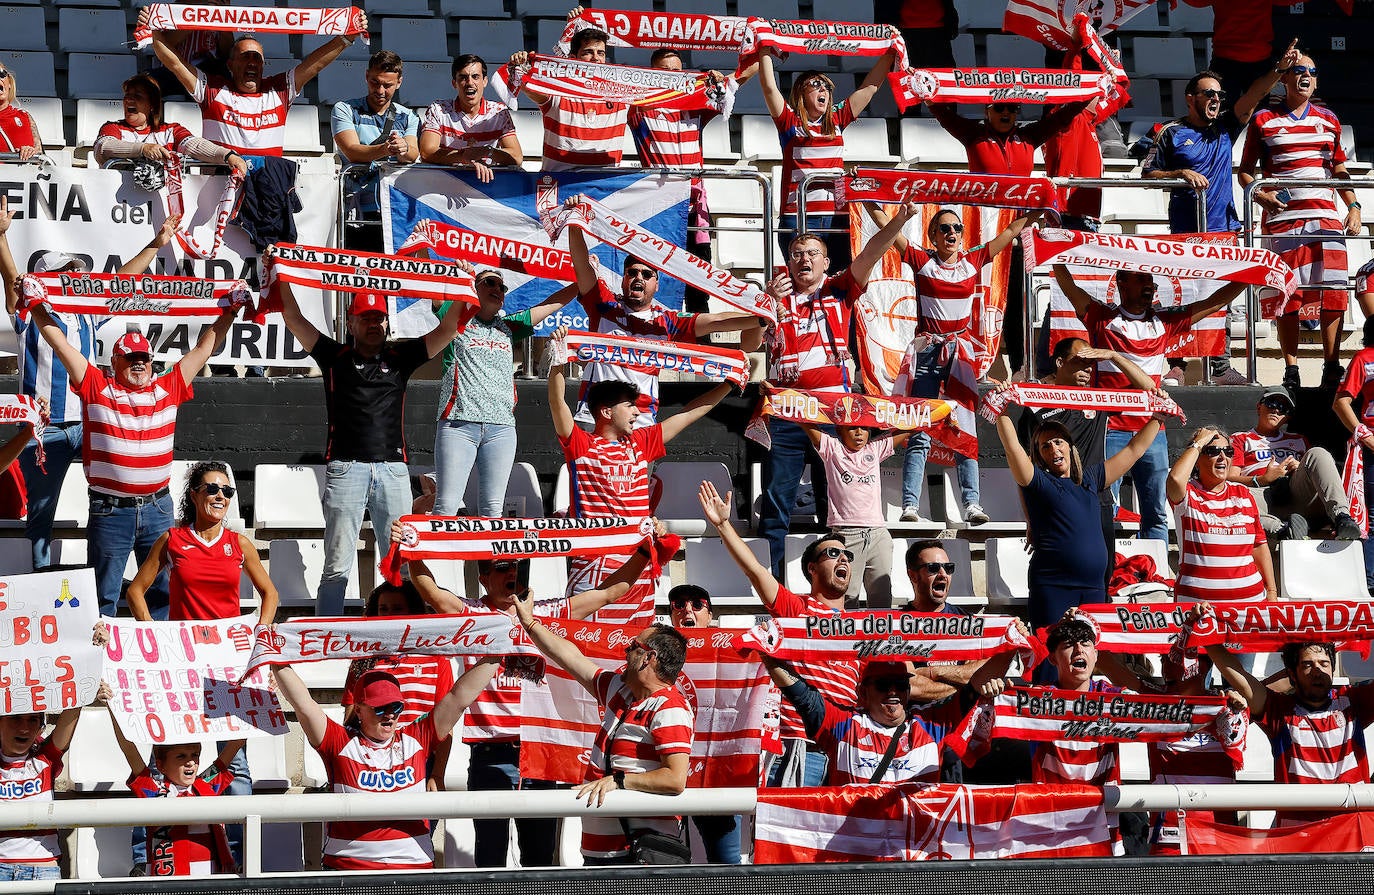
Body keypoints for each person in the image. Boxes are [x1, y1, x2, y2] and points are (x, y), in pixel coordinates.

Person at [402, 526, 661, 868]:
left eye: (518, 566)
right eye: (501, 567)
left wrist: (645, 551)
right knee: (490, 861)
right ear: (482, 578)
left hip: (542, 751)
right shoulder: (473, 615)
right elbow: (431, 591)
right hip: (491, 754)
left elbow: (609, 592)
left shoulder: (548, 612)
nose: (512, 573)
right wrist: (411, 541)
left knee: (540, 860)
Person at [272, 270, 469, 617]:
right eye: (366, 318)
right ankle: (326, 639)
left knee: (403, 563)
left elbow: (447, 330)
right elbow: (293, 317)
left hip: (393, 471)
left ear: (387, 323)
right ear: (351, 323)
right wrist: (281, 274)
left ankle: (405, 637)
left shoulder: (401, 359)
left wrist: (462, 287)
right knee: (336, 565)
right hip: (346, 469)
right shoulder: (333, 357)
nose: (373, 324)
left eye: (378, 317)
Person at [0, 206, 181, 572]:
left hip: (91, 423)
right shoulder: (28, 315)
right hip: (44, 430)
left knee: (121, 487)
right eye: (67, 274)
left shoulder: (87, 314)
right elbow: (11, 278)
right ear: (48, 278)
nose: (75, 279)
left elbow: (120, 283)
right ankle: (43, 580)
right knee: (40, 515)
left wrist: (156, 243)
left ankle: (125, 566)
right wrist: (1, 236)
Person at [31, 301, 238, 616]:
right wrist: (35, 307)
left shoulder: (170, 386)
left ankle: (161, 659)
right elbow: (58, 341)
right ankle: (102, 659)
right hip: (110, 510)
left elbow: (204, 348)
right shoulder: (95, 387)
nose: (139, 364)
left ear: (153, 362)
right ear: (115, 362)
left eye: (144, 358)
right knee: (103, 597)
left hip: (158, 508)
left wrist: (232, 311)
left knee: (164, 592)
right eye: (131, 358)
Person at [758, 204, 918, 577]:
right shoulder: (773, 298)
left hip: (833, 413)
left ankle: (834, 583)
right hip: (787, 412)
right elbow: (750, 341)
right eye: (796, 254)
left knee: (834, 504)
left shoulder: (839, 290)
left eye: (812, 253)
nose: (803, 260)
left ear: (826, 262)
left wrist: (899, 220)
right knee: (776, 499)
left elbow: (871, 252)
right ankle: (776, 587)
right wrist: (766, 305)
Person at [549, 325, 730, 626]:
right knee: (587, 648)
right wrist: (557, 364)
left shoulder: (640, 442)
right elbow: (558, 404)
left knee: (636, 652)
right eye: (630, 405)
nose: (637, 411)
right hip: (595, 564)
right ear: (606, 412)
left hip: (639, 566)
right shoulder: (581, 444)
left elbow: (688, 414)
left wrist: (729, 385)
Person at [1054, 264, 1248, 542]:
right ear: (1121, 283)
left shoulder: (1165, 322)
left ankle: (1155, 574)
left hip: (1152, 431)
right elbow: (1069, 286)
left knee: (1156, 511)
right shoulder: (1100, 317)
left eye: (1151, 280)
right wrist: (1051, 251)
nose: (1149, 285)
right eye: (1141, 279)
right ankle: (1108, 573)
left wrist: (1250, 276)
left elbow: (1214, 301)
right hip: (1110, 429)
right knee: (1103, 506)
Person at [870, 205, 1039, 523]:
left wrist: (1037, 210)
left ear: (963, 235)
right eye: (944, 228)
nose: (951, 233)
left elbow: (1010, 232)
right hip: (928, 354)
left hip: (959, 356)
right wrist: (865, 198)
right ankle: (909, 505)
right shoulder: (921, 260)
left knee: (965, 429)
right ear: (933, 236)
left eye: (957, 228)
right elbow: (885, 225)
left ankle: (972, 504)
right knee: (919, 429)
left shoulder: (974, 260)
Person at [1141, 57, 1295, 387]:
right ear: (1190, 97)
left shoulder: (1225, 127)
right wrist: (1179, 173)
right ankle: (1176, 363)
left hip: (1222, 230)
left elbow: (1253, 95)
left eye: (1219, 95)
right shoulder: (1170, 132)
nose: (1215, 100)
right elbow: (1148, 173)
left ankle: (1221, 367)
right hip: (1184, 233)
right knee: (1177, 297)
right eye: (1208, 94)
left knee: (1221, 300)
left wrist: (1279, 71)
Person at [512, 592, 693, 865]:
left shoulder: (670, 707)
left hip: (636, 857)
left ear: (648, 658)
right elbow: (570, 656)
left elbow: (675, 779)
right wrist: (531, 624)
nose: (626, 650)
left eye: (633, 646)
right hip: (603, 854)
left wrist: (619, 781)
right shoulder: (619, 690)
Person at [699, 480, 859, 787]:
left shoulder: (860, 627)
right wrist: (723, 526)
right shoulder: (797, 609)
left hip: (846, 751)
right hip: (800, 748)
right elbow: (755, 572)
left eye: (847, 556)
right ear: (812, 568)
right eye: (832, 553)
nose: (843, 559)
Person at [271, 662, 500, 870]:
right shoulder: (338, 742)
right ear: (359, 710)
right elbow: (302, 702)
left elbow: (459, 698)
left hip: (412, 869)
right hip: (349, 870)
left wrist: (499, 650)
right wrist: (275, 658)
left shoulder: (417, 738)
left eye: (396, 707)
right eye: (379, 708)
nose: (390, 715)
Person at [926, 93, 1092, 375]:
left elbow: (1062, 118)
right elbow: (944, 115)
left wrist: (1088, 92)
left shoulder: (1029, 136)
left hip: (1017, 235)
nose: (1007, 113)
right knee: (981, 299)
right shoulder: (973, 134)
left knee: (1016, 304)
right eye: (1000, 108)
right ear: (987, 110)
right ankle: (971, 362)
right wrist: (926, 93)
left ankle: (1017, 365)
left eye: (1013, 109)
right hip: (984, 234)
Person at [563, 195, 761, 427]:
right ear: (624, 279)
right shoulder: (604, 306)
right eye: (633, 273)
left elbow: (717, 320)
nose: (639, 278)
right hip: (593, 417)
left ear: (656, 285)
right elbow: (581, 264)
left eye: (647, 275)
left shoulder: (668, 321)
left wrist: (761, 318)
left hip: (641, 421)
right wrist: (575, 223)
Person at [1237, 53, 1361, 391]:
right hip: (1282, 221)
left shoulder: (1329, 119)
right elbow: (1245, 170)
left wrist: (1354, 206)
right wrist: (1259, 194)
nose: (1306, 76)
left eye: (1312, 71)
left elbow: (1339, 169)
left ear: (1317, 81)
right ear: (1285, 78)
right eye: (1298, 70)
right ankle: (1290, 369)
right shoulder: (1264, 119)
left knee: (1332, 292)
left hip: (1324, 218)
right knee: (1285, 294)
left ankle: (1332, 366)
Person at [995, 401, 1166, 635]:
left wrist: (1158, 416)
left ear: (1069, 446)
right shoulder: (1037, 482)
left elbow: (1134, 450)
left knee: (1089, 658)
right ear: (1039, 455)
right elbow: (1012, 448)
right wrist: (1001, 411)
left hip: (1094, 588)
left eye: (1058, 442)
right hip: (1053, 587)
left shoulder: (1091, 478)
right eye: (1045, 446)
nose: (1054, 450)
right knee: (1050, 660)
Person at [1198, 609, 1374, 826]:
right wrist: (1204, 632)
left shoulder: (1354, 702)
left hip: (1352, 833)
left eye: (1324, 664)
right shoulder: (1279, 711)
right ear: (1292, 675)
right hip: (1298, 838)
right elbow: (1240, 677)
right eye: (1307, 665)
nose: (1317, 671)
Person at [432, 271, 575, 517]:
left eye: (502, 286)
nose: (498, 288)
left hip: (501, 429)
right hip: (458, 425)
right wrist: (424, 244)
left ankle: (484, 557)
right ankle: (434, 557)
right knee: (446, 506)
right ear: (473, 288)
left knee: (492, 510)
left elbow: (552, 304)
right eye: (489, 282)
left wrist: (582, 281)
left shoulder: (509, 327)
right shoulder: (456, 321)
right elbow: (433, 294)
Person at [625, 48, 754, 312]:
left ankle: (701, 350)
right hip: (658, 211)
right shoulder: (638, 107)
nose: (672, 77)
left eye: (677, 71)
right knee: (658, 288)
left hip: (696, 213)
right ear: (650, 75)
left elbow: (748, 72)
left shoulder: (696, 104)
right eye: (664, 72)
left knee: (698, 292)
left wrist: (762, 40)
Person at [143, 7, 366, 158]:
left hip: (267, 190)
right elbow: (175, 63)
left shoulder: (280, 90)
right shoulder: (212, 89)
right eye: (244, 56)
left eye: (256, 57)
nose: (251, 62)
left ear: (262, 65)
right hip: (221, 189)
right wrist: (151, 30)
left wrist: (347, 38)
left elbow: (315, 64)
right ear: (230, 64)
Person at [1014, 337, 1160, 564]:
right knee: (1060, 574)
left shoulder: (1098, 399)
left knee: (1101, 580)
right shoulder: (1035, 402)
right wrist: (1030, 519)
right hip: (1055, 503)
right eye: (1080, 361)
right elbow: (1025, 469)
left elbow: (1150, 389)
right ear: (1060, 363)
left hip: (1097, 501)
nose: (1087, 369)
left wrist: (1114, 356)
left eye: (1091, 363)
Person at [758, 45, 897, 268]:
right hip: (799, 216)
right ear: (801, 92)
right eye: (816, 85)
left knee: (837, 279)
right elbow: (769, 88)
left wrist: (890, 54)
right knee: (803, 281)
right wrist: (763, 49)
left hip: (837, 214)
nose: (823, 90)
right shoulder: (790, 123)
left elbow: (869, 88)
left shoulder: (837, 120)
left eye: (827, 87)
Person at [125, 460, 277, 625]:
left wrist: (262, 630)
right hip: (185, 645)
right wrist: (152, 629)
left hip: (228, 644)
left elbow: (270, 593)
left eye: (227, 491)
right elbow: (134, 591)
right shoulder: (171, 540)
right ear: (194, 495)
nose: (221, 496)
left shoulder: (240, 543)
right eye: (212, 489)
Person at [339, 581, 456, 795]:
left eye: (397, 609)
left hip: (421, 762)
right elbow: (350, 719)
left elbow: (445, 726)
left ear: (412, 611)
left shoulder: (436, 658)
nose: (389, 615)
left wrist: (437, 774)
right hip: (371, 764)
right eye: (383, 609)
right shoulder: (363, 659)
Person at [757, 657, 940, 785]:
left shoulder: (931, 725)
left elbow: (968, 694)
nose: (893, 692)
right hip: (858, 838)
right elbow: (802, 696)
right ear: (863, 693)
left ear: (908, 691)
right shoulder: (846, 725)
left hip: (912, 838)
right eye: (883, 685)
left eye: (900, 686)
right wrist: (767, 656)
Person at [110, 714, 246, 878]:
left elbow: (234, 747)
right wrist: (112, 707)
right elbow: (129, 750)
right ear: (160, 765)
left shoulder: (206, 785)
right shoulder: (154, 791)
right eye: (181, 756)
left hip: (213, 883)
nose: (190, 762)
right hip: (170, 886)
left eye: (195, 755)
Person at [797, 421, 910, 608]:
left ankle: (879, 637)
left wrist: (936, 413)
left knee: (882, 595)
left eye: (865, 428)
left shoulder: (875, 449)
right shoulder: (832, 449)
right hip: (846, 534)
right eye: (852, 428)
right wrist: (783, 401)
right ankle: (848, 637)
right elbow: (805, 424)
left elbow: (909, 427)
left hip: (878, 533)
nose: (859, 433)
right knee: (847, 594)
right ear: (840, 430)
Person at [1227, 387, 1360, 541]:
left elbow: (1318, 471)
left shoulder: (1298, 440)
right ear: (1259, 407)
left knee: (1318, 453)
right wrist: (1262, 479)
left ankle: (1342, 518)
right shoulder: (1240, 438)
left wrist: (1300, 467)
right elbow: (1230, 478)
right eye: (1271, 403)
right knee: (1233, 494)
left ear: (1287, 417)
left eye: (1283, 408)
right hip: (1262, 496)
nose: (1276, 410)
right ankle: (1284, 530)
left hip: (1296, 493)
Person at [1166, 427, 1276, 604]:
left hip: (1251, 605)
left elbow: (1259, 546)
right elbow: (1175, 479)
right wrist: (1198, 443)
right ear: (1197, 458)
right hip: (1197, 608)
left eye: (1228, 451)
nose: (1223, 457)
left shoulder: (1244, 494)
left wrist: (1271, 591)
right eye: (1212, 451)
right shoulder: (1188, 494)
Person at [332, 51, 420, 252]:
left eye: (387, 85)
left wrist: (403, 149)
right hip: (357, 209)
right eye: (374, 82)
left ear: (399, 83)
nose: (380, 90)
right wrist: (386, 149)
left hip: (395, 207)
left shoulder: (408, 116)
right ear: (366, 76)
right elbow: (353, 151)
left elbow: (413, 153)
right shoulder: (344, 109)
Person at [509, 22, 626, 171]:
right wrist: (519, 65)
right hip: (560, 185)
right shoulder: (557, 89)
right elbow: (525, 85)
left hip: (604, 187)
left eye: (601, 53)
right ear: (572, 59)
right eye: (588, 52)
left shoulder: (622, 94)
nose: (596, 58)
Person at [94, 74, 247, 174]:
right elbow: (103, 148)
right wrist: (143, 149)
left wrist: (228, 156)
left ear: (152, 104)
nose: (128, 100)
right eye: (127, 96)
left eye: (137, 96)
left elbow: (196, 146)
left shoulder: (171, 130)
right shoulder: (112, 128)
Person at [0, 702, 84, 880]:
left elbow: (71, 713)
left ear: (40, 727)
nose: (24, 728)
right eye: (15, 718)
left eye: (33, 720)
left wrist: (85, 688)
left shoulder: (46, 758)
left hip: (43, 870)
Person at [419, 54, 523, 181]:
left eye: (475, 77)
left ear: (484, 81)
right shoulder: (438, 109)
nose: (469, 82)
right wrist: (463, 157)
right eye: (463, 77)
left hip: (485, 184)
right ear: (454, 83)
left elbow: (516, 157)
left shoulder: (499, 112)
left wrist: (486, 152)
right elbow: (426, 152)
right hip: (445, 183)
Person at [1333, 315, 1374, 593]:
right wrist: (1366, 436)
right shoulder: (1365, 358)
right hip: (1373, 452)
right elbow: (1340, 402)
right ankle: (1370, 585)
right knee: (1372, 518)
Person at [0, 65, 41, 161]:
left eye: (1, 73)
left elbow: (41, 159)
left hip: (22, 175)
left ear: (9, 82)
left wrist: (31, 152)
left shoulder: (24, 116)